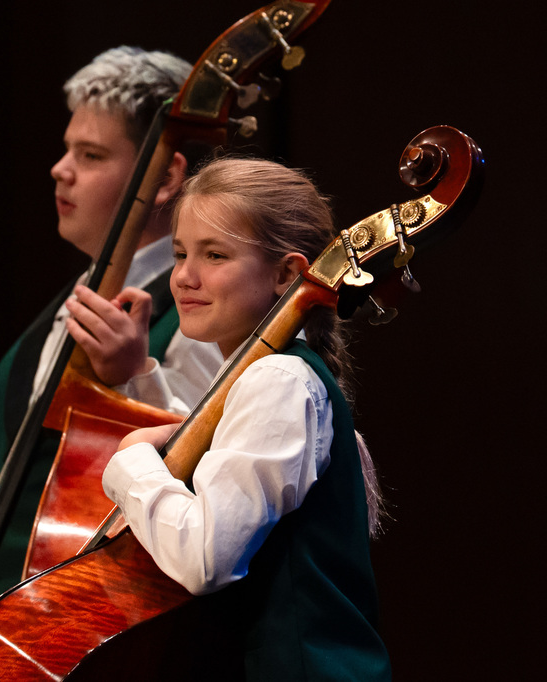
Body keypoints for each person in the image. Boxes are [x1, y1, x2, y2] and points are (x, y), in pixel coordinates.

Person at [100, 157, 391, 679]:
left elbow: (204, 559)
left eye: (215, 255)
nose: (184, 277)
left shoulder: (277, 381)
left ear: (286, 275)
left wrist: (129, 463)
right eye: (180, 253)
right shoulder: (267, 379)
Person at [0, 45, 224, 610]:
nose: (61, 169)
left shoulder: (202, 311)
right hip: (3, 621)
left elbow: (214, 477)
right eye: (67, 149)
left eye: (90, 154)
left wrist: (134, 378)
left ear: (163, 177)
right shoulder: (71, 300)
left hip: (83, 621)